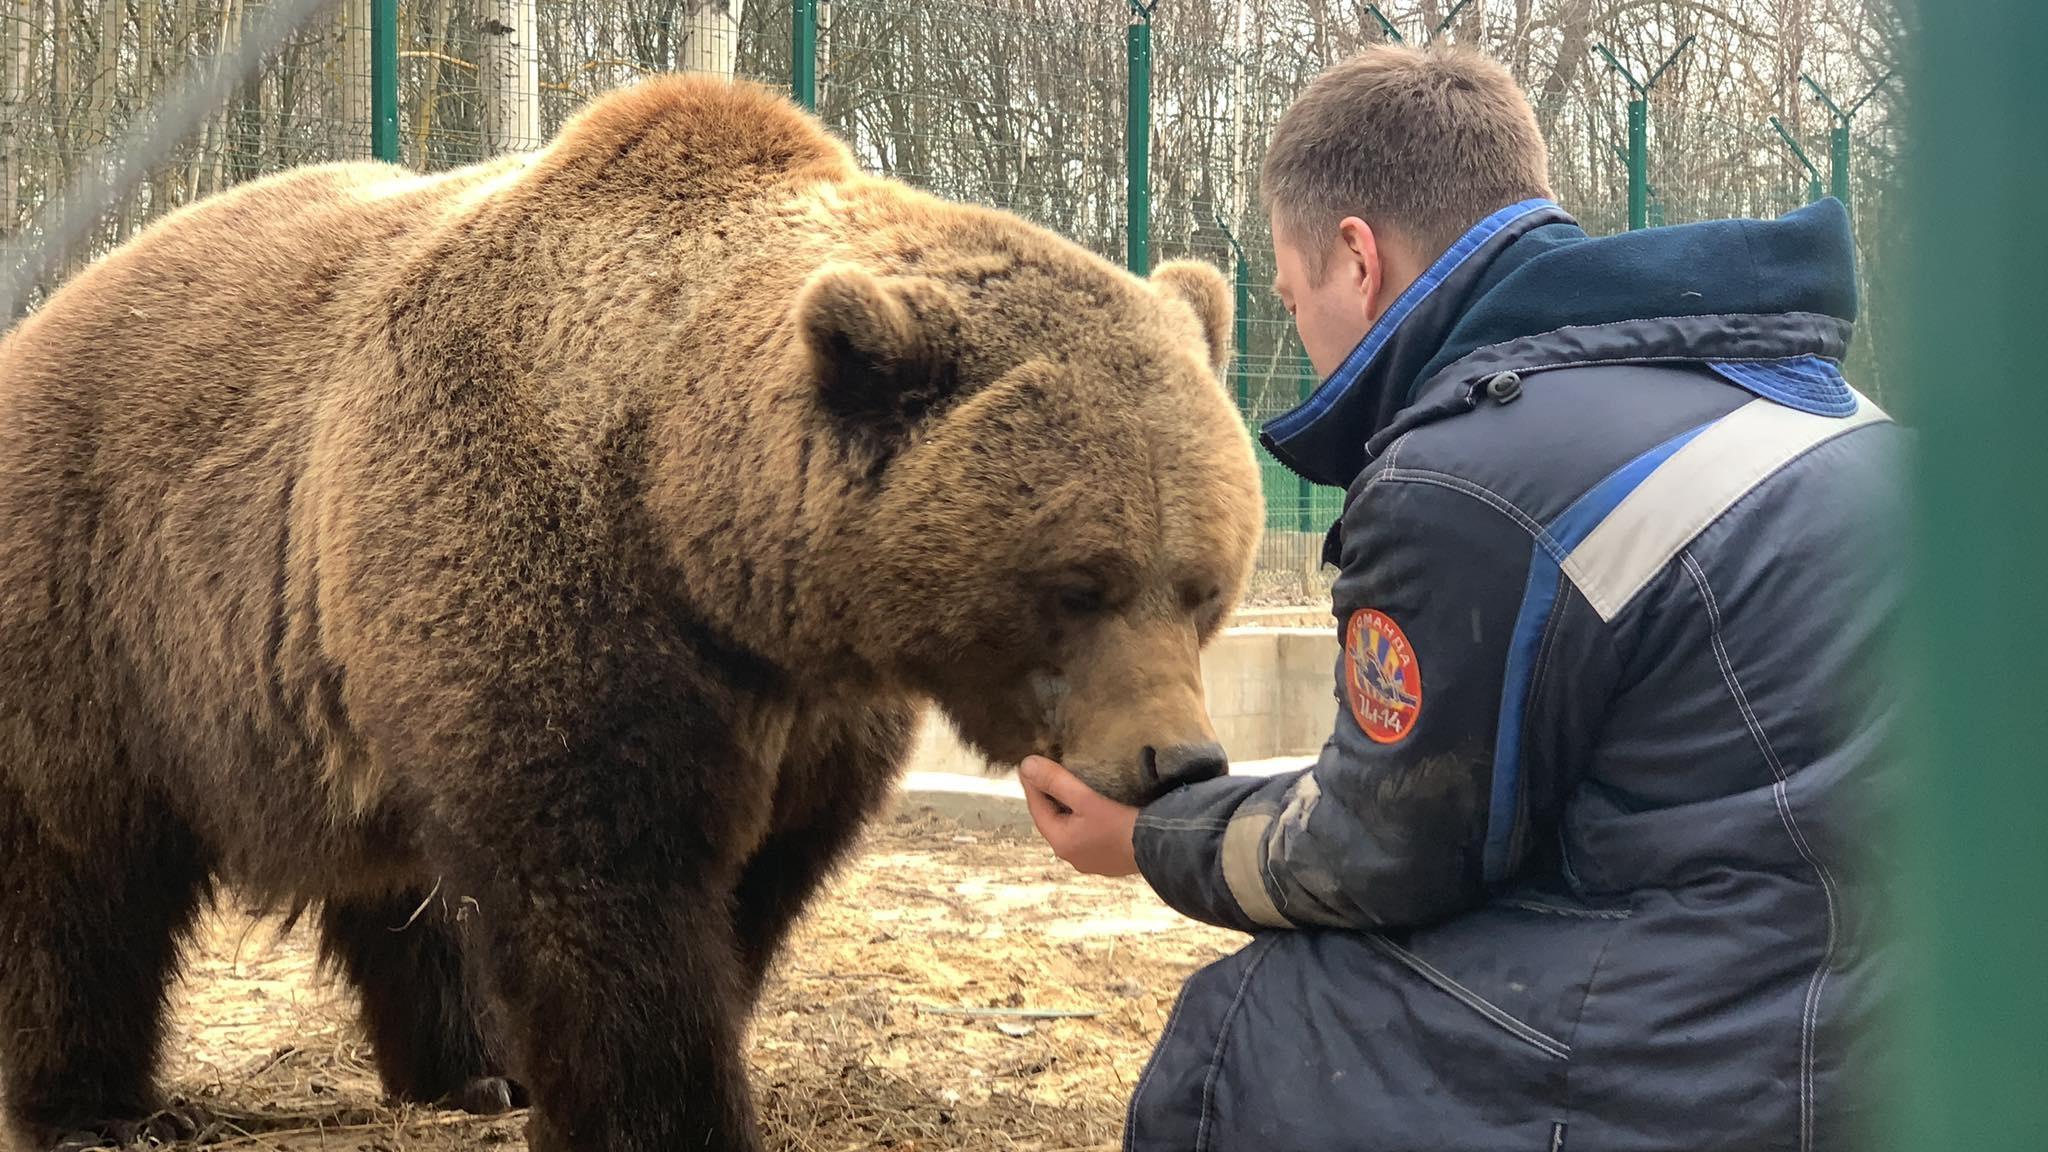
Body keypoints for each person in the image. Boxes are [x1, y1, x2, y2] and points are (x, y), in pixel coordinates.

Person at [1019, 42, 1903, 1152]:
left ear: (1357, 260)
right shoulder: (1798, 395)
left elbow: (1380, 849)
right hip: (1923, 1009)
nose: (1299, 329)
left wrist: (1149, 837)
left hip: (1770, 1062)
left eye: (1290, 297)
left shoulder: (1468, 472)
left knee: (1250, 1031)